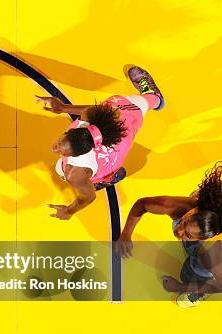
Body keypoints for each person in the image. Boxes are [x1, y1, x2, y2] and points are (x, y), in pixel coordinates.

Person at [36, 65, 164, 220]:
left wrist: (68, 212)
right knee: (131, 105)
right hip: (120, 133)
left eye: (61, 151)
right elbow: (92, 109)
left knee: (59, 169)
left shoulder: (75, 173)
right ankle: (154, 99)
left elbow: (88, 198)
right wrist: (63, 107)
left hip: (117, 139)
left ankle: (156, 97)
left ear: (74, 156)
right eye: (60, 141)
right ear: (73, 131)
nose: (55, 147)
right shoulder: (90, 118)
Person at [115, 162, 222, 307]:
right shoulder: (179, 207)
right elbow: (142, 204)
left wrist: (179, 287)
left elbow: (219, 286)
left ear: (206, 238)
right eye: (185, 222)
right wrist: (126, 234)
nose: (178, 231)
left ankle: (198, 293)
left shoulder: (212, 254)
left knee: (192, 272)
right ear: (196, 210)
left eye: (188, 235)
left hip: (212, 258)